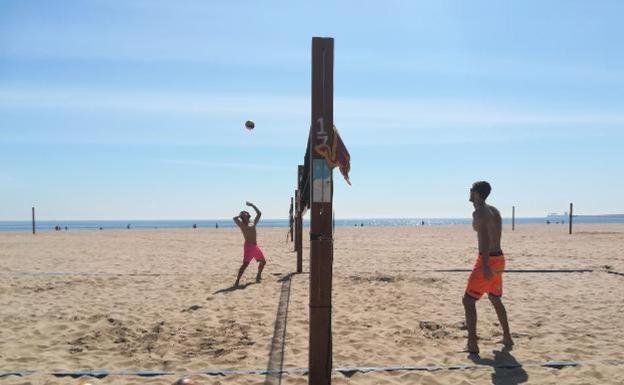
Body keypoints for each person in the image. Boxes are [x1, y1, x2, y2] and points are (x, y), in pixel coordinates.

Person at [462, 181, 513, 354]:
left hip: (487, 260)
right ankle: (507, 336)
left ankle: (472, 344)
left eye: (471, 190)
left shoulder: (479, 212)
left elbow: (484, 239)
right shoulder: (494, 210)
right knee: (494, 297)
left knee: (468, 301)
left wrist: (484, 265)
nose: (469, 192)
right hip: (499, 258)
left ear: (476, 193)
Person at [233, 201, 266, 287]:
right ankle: (237, 281)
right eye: (244, 215)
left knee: (263, 262)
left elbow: (259, 213)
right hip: (248, 247)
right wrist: (240, 215)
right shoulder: (242, 225)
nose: (245, 215)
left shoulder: (252, 223)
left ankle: (258, 276)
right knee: (245, 264)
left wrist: (252, 205)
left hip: (255, 247)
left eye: (246, 214)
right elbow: (234, 219)